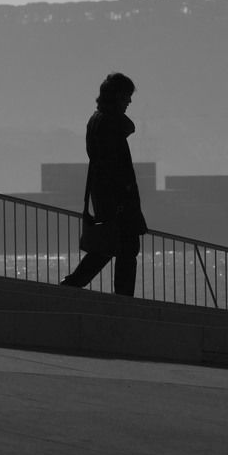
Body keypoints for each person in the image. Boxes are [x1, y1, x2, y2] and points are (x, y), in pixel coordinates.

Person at [61, 72, 148, 296]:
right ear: (118, 96)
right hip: (118, 201)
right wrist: (123, 199)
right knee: (125, 249)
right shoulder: (109, 122)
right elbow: (115, 166)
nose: (129, 101)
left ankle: (72, 284)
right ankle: (121, 299)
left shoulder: (97, 120)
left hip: (106, 200)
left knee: (106, 247)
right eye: (127, 96)